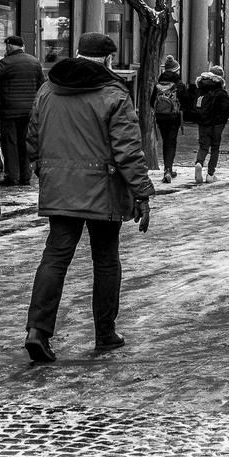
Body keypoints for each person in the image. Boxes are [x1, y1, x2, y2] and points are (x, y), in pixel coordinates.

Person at [23, 32, 153, 360]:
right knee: (106, 260)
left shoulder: (48, 89)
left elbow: (32, 139)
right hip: (103, 189)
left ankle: (37, 330)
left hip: (60, 188)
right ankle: (105, 333)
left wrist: (46, 171)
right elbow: (128, 149)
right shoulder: (114, 94)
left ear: (78, 54)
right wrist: (142, 193)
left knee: (55, 257)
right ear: (109, 60)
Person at [0, 35, 44, 186]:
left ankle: (12, 176)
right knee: (25, 144)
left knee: (10, 143)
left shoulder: (7, 62)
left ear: (10, 46)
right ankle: (25, 176)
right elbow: (41, 86)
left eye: (6, 46)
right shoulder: (35, 62)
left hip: (10, 111)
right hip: (29, 111)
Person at [147, 55, 192, 183]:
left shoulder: (159, 83)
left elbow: (152, 102)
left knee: (166, 141)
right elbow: (186, 102)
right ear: (176, 70)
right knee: (171, 142)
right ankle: (168, 169)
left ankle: (167, 169)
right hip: (174, 116)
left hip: (160, 117)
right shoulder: (179, 84)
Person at [189, 64, 229, 184]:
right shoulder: (221, 91)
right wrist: (222, 121)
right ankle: (210, 174)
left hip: (203, 123)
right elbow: (226, 108)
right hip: (217, 124)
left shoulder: (201, 88)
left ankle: (199, 163)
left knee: (203, 146)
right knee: (215, 148)